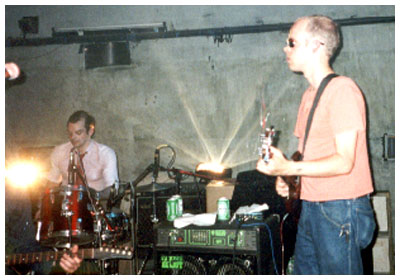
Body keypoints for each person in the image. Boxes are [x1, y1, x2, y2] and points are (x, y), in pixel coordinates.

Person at [256, 15, 376, 275]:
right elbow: (306, 157)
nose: (285, 49)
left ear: (316, 46)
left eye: (292, 42)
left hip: (338, 208)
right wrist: (288, 177)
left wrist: (289, 167)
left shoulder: (343, 90)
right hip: (312, 207)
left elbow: (344, 161)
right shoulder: (309, 94)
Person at [41, 110, 119, 274]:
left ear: (91, 131)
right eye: (70, 133)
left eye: (78, 132)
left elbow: (112, 190)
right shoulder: (59, 152)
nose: (73, 137)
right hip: (65, 216)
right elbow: (50, 185)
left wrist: (91, 196)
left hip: (93, 215)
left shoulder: (105, 154)